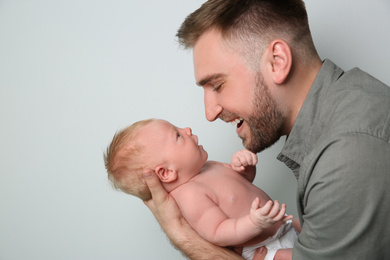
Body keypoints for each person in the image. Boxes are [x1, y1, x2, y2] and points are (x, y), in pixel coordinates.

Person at [142, 0, 390, 259]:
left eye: (217, 86)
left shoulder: (346, 158)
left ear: (277, 61)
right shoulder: (350, 108)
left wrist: (180, 233)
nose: (209, 113)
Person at [104, 118, 300, 260]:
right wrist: (253, 223)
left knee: (321, 228)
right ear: (166, 173)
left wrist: (245, 169)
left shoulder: (209, 166)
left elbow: (242, 187)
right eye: (178, 135)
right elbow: (218, 232)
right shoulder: (190, 196)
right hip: (264, 248)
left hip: (283, 225)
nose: (187, 129)